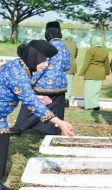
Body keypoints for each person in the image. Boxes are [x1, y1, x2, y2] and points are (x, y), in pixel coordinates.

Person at [0, 40, 75, 188]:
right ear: (35, 57)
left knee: (2, 143)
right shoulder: (18, 73)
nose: (47, 64)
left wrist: (36, 97)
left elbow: (17, 91)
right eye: (45, 60)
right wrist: (59, 122)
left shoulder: (21, 66)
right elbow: (29, 100)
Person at [11, 21, 70, 135]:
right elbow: (67, 66)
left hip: (44, 83)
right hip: (61, 84)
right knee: (55, 107)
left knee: (32, 104)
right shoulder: (65, 47)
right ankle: (50, 131)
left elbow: (40, 66)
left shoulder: (47, 47)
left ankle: (19, 127)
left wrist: (32, 81)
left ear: (48, 32)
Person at [78, 35, 110, 111]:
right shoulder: (105, 51)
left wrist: (80, 74)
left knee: (89, 90)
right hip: (100, 73)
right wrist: (107, 73)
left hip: (90, 73)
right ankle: (95, 105)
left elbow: (86, 63)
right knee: (96, 90)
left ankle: (88, 106)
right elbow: (107, 64)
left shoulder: (90, 50)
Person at [63, 36, 78, 107]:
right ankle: (67, 99)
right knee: (69, 83)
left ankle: (63, 99)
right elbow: (75, 54)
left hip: (63, 66)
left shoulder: (61, 43)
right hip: (72, 65)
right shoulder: (74, 44)